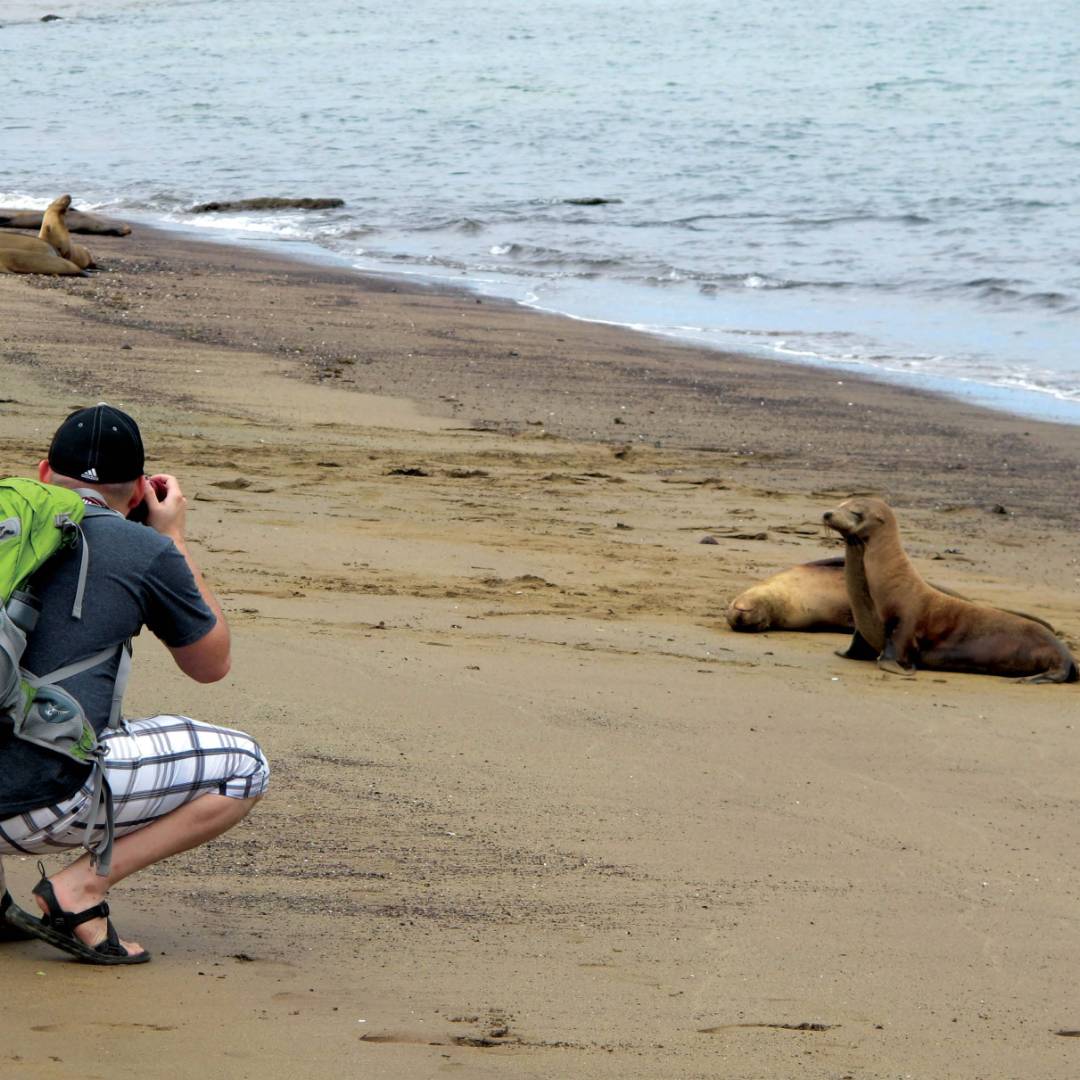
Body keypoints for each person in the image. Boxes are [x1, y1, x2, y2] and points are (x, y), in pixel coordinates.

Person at [0, 403, 269, 964]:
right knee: (245, 766)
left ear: (44, 471)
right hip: (36, 804)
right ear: (141, 489)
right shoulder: (144, 551)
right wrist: (170, 539)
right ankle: (80, 890)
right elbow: (209, 663)